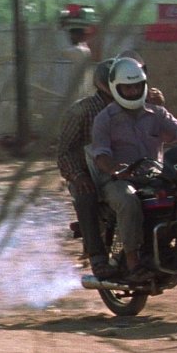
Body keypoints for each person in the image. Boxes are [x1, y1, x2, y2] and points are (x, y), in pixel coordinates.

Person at [90, 58, 177, 282]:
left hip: (153, 175)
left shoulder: (156, 113)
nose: (133, 91)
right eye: (127, 87)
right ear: (116, 88)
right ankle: (133, 262)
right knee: (128, 201)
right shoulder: (104, 119)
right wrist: (116, 170)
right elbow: (101, 154)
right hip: (119, 180)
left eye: (137, 86)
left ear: (144, 85)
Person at [56, 59, 118, 280]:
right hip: (89, 173)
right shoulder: (81, 111)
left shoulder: (135, 105)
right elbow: (65, 151)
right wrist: (78, 175)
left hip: (124, 168)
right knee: (86, 196)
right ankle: (97, 257)